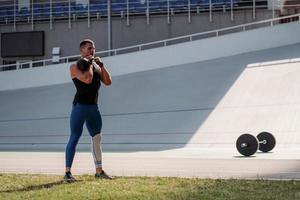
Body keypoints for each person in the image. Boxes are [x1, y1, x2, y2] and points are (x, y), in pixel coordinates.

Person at [64, 39, 112, 182]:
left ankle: (99, 171)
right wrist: (91, 63)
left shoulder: (96, 66)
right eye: (89, 48)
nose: (93, 50)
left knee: (97, 138)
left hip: (93, 108)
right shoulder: (74, 66)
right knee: (75, 137)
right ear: (82, 50)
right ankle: (67, 173)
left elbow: (108, 82)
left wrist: (101, 66)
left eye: (94, 48)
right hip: (80, 107)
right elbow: (87, 79)